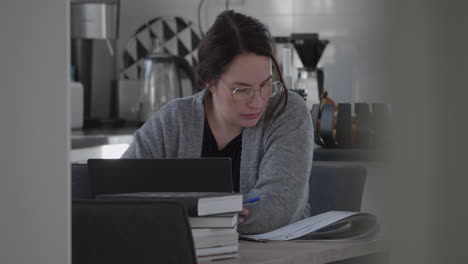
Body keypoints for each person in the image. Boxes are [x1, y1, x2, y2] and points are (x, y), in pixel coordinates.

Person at [122, 10, 314, 235]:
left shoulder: (287, 112)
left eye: (266, 84)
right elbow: (122, 192)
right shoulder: (173, 121)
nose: (257, 101)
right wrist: (220, 215)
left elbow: (278, 206)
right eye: (241, 89)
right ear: (209, 82)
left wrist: (182, 217)